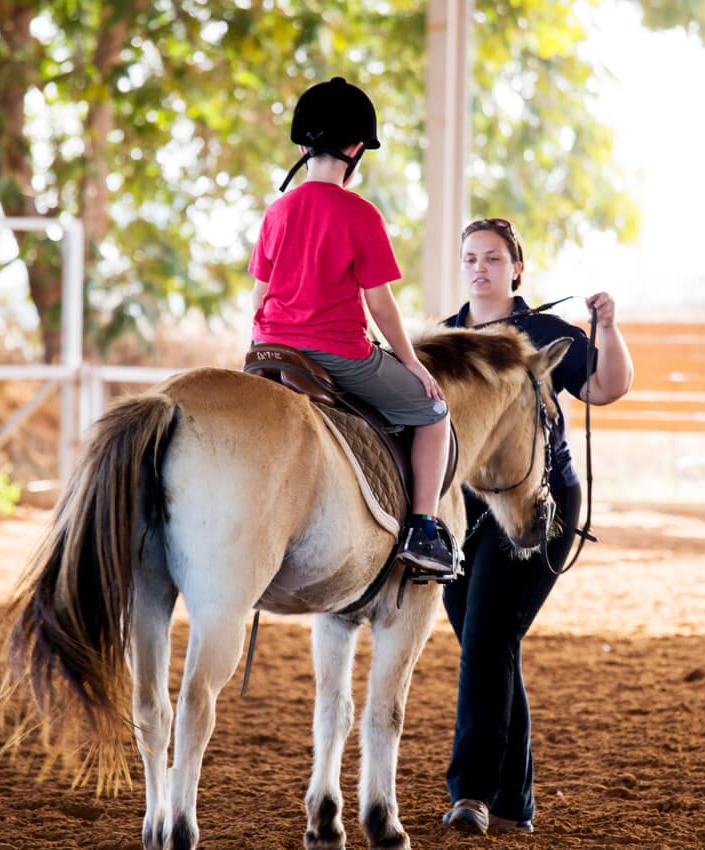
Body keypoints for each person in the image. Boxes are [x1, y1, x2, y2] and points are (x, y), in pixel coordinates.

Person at [440, 218, 634, 834]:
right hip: (460, 510)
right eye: (471, 257)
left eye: (494, 258)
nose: (480, 268)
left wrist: (607, 327)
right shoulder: (445, 339)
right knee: (486, 645)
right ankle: (513, 802)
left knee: (488, 638)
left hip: (536, 502)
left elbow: (607, 387)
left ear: (516, 268)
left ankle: (471, 791)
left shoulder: (546, 332)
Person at [249, 76, 457, 577]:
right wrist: (411, 363)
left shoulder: (277, 211)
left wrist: (254, 354)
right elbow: (381, 307)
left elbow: (259, 295)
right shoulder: (361, 214)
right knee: (432, 413)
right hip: (337, 353)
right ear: (358, 147)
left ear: (303, 145)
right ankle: (422, 529)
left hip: (269, 349)